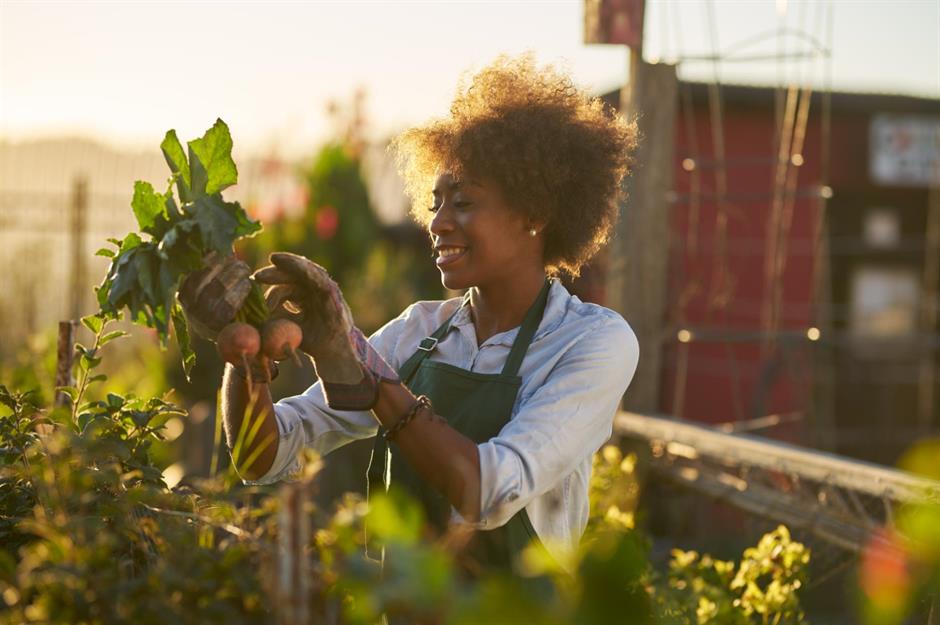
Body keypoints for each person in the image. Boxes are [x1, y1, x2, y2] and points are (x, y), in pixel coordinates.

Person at [181, 53, 639, 579]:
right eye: (435, 202)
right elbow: (263, 456)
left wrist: (373, 380)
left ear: (534, 212)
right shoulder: (420, 332)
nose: (438, 223)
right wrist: (246, 353)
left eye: (463, 202)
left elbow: (487, 492)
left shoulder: (591, 342)